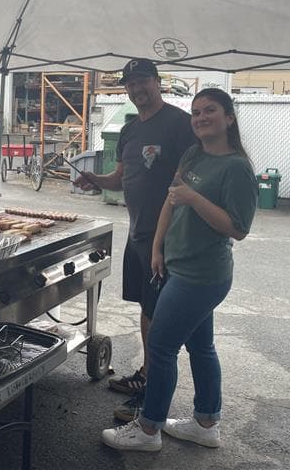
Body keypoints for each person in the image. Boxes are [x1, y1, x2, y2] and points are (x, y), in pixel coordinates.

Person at [101, 87, 258, 452]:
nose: (201, 118)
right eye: (197, 112)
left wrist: (194, 197)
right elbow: (172, 201)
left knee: (161, 345)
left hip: (201, 275)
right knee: (201, 347)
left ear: (229, 118)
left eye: (210, 111)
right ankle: (206, 423)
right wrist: (158, 247)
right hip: (177, 264)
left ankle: (149, 428)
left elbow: (238, 228)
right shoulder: (193, 153)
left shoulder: (236, 167)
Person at [74, 58, 194, 421]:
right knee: (146, 309)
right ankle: (146, 375)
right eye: (131, 84)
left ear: (158, 83)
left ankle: (153, 399)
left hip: (168, 239)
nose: (138, 89)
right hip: (138, 233)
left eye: (143, 81)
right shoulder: (129, 130)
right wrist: (96, 180)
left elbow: (184, 182)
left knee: (163, 319)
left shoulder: (179, 124)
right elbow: (120, 178)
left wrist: (163, 238)